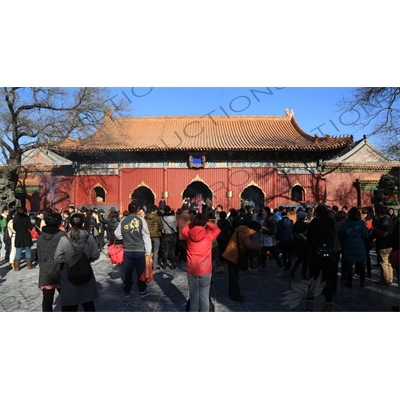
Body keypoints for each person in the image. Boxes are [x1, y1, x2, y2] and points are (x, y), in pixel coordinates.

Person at [54, 213, 100, 311]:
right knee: (88, 306)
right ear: (83, 224)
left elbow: (57, 258)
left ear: (70, 225)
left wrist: (69, 260)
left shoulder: (64, 239)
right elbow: (96, 255)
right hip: (86, 273)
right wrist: (86, 259)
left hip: (69, 275)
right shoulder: (89, 238)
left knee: (70, 307)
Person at [181, 213, 221, 311]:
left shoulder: (188, 234)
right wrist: (207, 222)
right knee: (204, 296)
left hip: (192, 269)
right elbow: (217, 230)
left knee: (194, 296)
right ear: (205, 223)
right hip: (205, 269)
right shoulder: (208, 235)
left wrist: (193, 224)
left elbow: (184, 229)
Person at [114, 202, 152, 298]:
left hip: (128, 251)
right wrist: (148, 250)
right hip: (139, 250)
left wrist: (126, 237)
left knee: (128, 271)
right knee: (140, 271)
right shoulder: (141, 220)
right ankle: (142, 290)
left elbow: (117, 234)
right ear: (137, 210)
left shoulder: (123, 220)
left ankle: (127, 290)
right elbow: (146, 236)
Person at [222, 220, 262, 302]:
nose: (254, 233)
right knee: (234, 277)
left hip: (232, 255)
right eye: (255, 231)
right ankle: (234, 295)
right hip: (232, 256)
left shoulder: (243, 230)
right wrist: (259, 246)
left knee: (234, 276)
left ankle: (234, 293)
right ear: (252, 229)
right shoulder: (244, 233)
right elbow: (249, 246)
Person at [305, 204, 336, 311]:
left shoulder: (314, 222)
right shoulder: (331, 222)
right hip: (328, 254)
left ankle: (309, 306)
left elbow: (310, 239)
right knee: (327, 281)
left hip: (315, 255)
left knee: (313, 281)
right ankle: (328, 305)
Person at [37, 211, 65, 311]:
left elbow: (39, 256)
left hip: (46, 271)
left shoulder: (40, 237)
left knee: (47, 299)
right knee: (66, 297)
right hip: (60, 270)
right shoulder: (62, 235)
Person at [339, 207, 369, 288]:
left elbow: (342, 235)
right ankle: (362, 282)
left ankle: (349, 281)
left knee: (349, 264)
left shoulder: (345, 223)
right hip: (359, 245)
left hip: (348, 245)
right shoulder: (361, 223)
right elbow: (365, 235)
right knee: (361, 264)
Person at [370, 204, 394, 285]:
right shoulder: (390, 220)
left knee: (383, 262)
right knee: (389, 262)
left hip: (383, 244)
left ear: (379, 214)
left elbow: (378, 234)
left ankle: (385, 279)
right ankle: (390, 278)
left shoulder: (381, 222)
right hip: (391, 244)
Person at [145, 205, 163, 270]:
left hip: (148, 235)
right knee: (156, 250)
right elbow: (161, 226)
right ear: (156, 210)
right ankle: (155, 265)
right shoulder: (157, 217)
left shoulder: (146, 217)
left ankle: (148, 264)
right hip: (156, 235)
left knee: (149, 250)